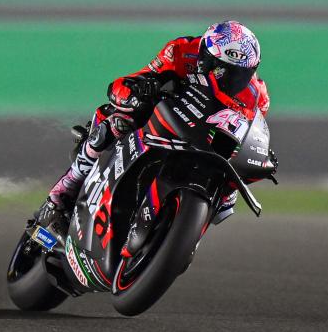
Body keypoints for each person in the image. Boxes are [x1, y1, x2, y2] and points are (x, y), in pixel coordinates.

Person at [36, 20, 276, 236]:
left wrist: (259, 152)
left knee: (226, 196)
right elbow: (130, 81)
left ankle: (183, 237)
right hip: (163, 119)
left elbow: (249, 133)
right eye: (219, 67)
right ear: (205, 53)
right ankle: (61, 195)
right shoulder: (181, 51)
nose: (225, 77)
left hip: (206, 140)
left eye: (237, 74)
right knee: (119, 120)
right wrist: (136, 90)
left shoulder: (258, 97)